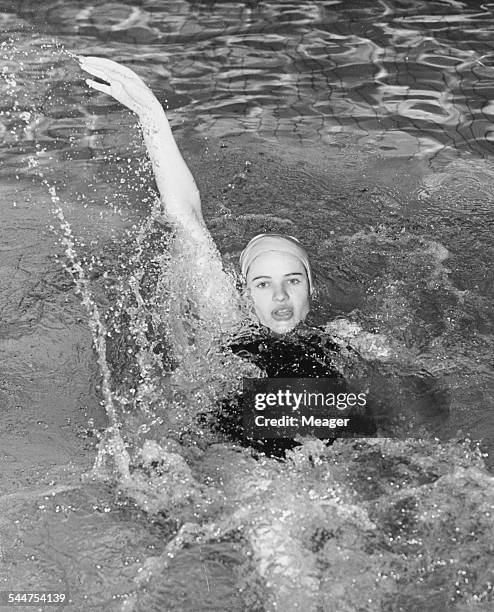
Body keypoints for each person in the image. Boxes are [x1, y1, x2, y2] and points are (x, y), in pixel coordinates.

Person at [78, 57, 377, 453]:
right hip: (235, 451)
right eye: (263, 284)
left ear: (312, 289)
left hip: (320, 451)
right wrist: (151, 113)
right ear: (244, 292)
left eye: (292, 280)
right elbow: (185, 216)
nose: (280, 296)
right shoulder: (228, 320)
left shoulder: (347, 339)